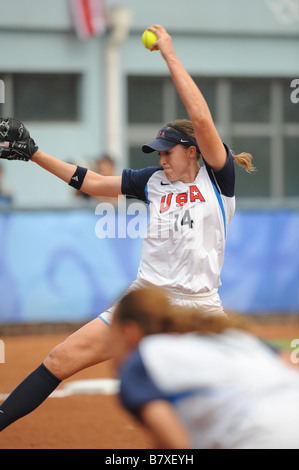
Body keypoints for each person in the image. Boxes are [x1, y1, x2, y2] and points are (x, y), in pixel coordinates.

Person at [0, 25, 254, 432]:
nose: (162, 160)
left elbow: (201, 117)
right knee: (60, 359)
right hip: (144, 302)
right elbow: (90, 182)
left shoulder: (218, 180)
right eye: (157, 154)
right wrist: (34, 154)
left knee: (235, 386)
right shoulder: (151, 181)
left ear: (193, 152)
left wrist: (168, 53)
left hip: (199, 308)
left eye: (168, 152)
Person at [111, 286, 299, 449]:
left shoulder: (141, 361)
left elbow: (176, 444)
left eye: (112, 334)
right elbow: (288, 365)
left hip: (259, 436)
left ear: (129, 332)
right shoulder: (232, 336)